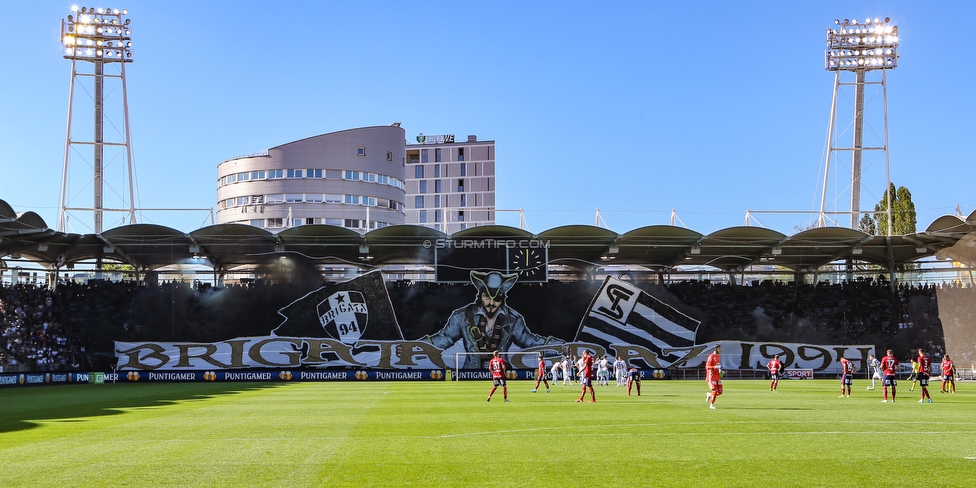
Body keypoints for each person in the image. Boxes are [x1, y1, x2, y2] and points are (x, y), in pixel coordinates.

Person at [422, 271, 563, 370]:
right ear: (480, 295)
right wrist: (417, 346)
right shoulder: (461, 316)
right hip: (470, 373)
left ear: (502, 298)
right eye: (486, 297)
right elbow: (444, 338)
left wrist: (559, 347)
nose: (491, 302)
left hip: (502, 370)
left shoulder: (514, 319)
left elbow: (530, 341)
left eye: (496, 298)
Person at [706, 345, 722, 409]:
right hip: (711, 376)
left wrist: (719, 370)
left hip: (717, 376)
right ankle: (711, 404)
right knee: (715, 390)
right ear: (715, 349)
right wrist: (714, 367)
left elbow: (717, 365)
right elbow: (707, 367)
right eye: (719, 349)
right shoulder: (711, 357)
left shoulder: (718, 356)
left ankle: (710, 395)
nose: (720, 350)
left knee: (720, 392)